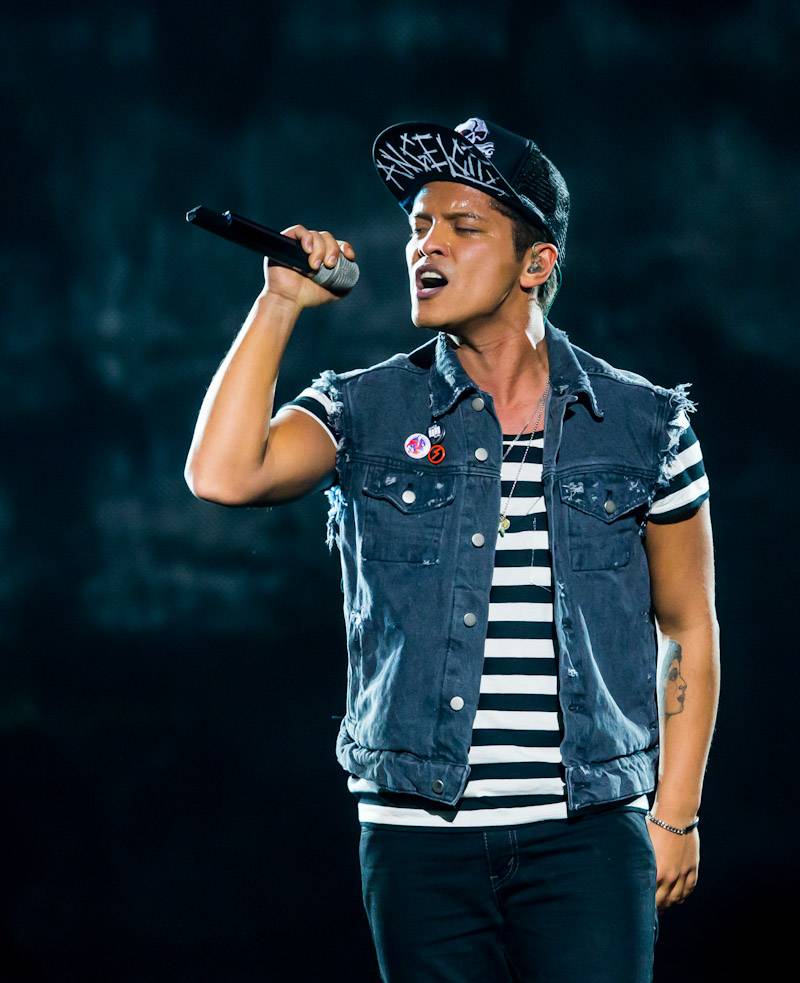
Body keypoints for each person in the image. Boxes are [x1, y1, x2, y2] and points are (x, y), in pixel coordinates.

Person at [184, 115, 720, 983]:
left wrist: (676, 814)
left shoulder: (645, 425)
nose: (426, 245)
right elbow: (223, 473)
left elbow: (688, 624)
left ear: (536, 263)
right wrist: (280, 300)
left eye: (463, 226)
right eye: (419, 224)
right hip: (417, 843)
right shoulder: (363, 410)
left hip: (587, 839)